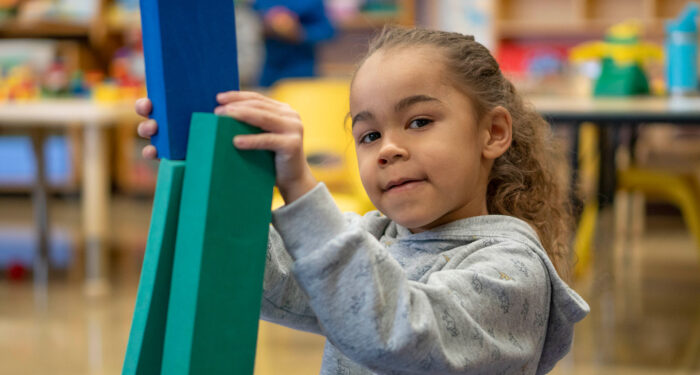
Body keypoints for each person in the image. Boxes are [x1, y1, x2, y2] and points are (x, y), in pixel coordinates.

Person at [136, 26, 589, 375]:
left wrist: (301, 189)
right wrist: (204, 171)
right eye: (369, 135)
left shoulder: (513, 273)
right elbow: (263, 273)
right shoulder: (375, 237)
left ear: (492, 133)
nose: (388, 148)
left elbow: (396, 331)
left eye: (418, 121)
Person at [252, 0, 335, 87]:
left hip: (300, 71)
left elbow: (327, 31)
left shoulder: (311, 3)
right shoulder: (262, 2)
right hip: (270, 71)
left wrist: (299, 33)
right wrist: (264, 28)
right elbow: (250, 24)